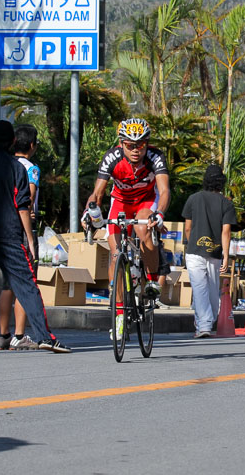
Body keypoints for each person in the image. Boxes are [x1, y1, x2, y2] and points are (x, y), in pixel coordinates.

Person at [0, 120, 70, 353]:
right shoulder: (17, 168)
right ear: (13, 141)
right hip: (9, 237)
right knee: (27, 287)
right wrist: (29, 239)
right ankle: (45, 337)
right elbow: (23, 207)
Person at [83, 118, 169, 341]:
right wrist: (89, 212)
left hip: (145, 202)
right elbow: (98, 194)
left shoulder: (155, 157)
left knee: (143, 230)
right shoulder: (112, 158)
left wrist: (159, 213)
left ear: (146, 144)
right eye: (130, 145)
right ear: (121, 144)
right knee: (115, 253)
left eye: (140, 145)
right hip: (120, 202)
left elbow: (164, 189)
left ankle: (150, 280)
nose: (135, 150)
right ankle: (119, 311)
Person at [0, 124, 41, 350]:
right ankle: (19, 334)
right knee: (25, 282)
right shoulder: (31, 168)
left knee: (7, 284)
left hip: (4, 228)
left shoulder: (6, 164)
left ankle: (3, 335)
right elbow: (29, 193)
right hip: (23, 229)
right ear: (32, 145)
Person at [183, 165, 236, 338]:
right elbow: (225, 232)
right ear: (221, 182)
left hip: (194, 251)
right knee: (213, 288)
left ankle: (205, 323)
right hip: (215, 253)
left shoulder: (193, 199)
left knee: (200, 288)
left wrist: (192, 244)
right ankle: (206, 323)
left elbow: (188, 228)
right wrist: (226, 256)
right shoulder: (226, 203)